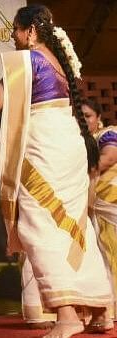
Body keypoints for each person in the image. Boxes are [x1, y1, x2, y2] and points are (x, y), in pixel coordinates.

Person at [0, 4, 113, 337]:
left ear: (31, 31)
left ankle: (66, 316)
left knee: (40, 226)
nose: (12, 36)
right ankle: (100, 310)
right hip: (69, 145)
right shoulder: (64, 65)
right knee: (74, 227)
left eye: (15, 30)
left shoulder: (28, 60)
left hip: (43, 147)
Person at [84, 99, 117, 319]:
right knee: (102, 258)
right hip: (93, 208)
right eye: (79, 116)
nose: (83, 120)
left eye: (87, 116)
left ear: (98, 119)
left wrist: (81, 172)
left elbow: (110, 157)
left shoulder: (107, 133)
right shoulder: (76, 142)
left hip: (112, 203)